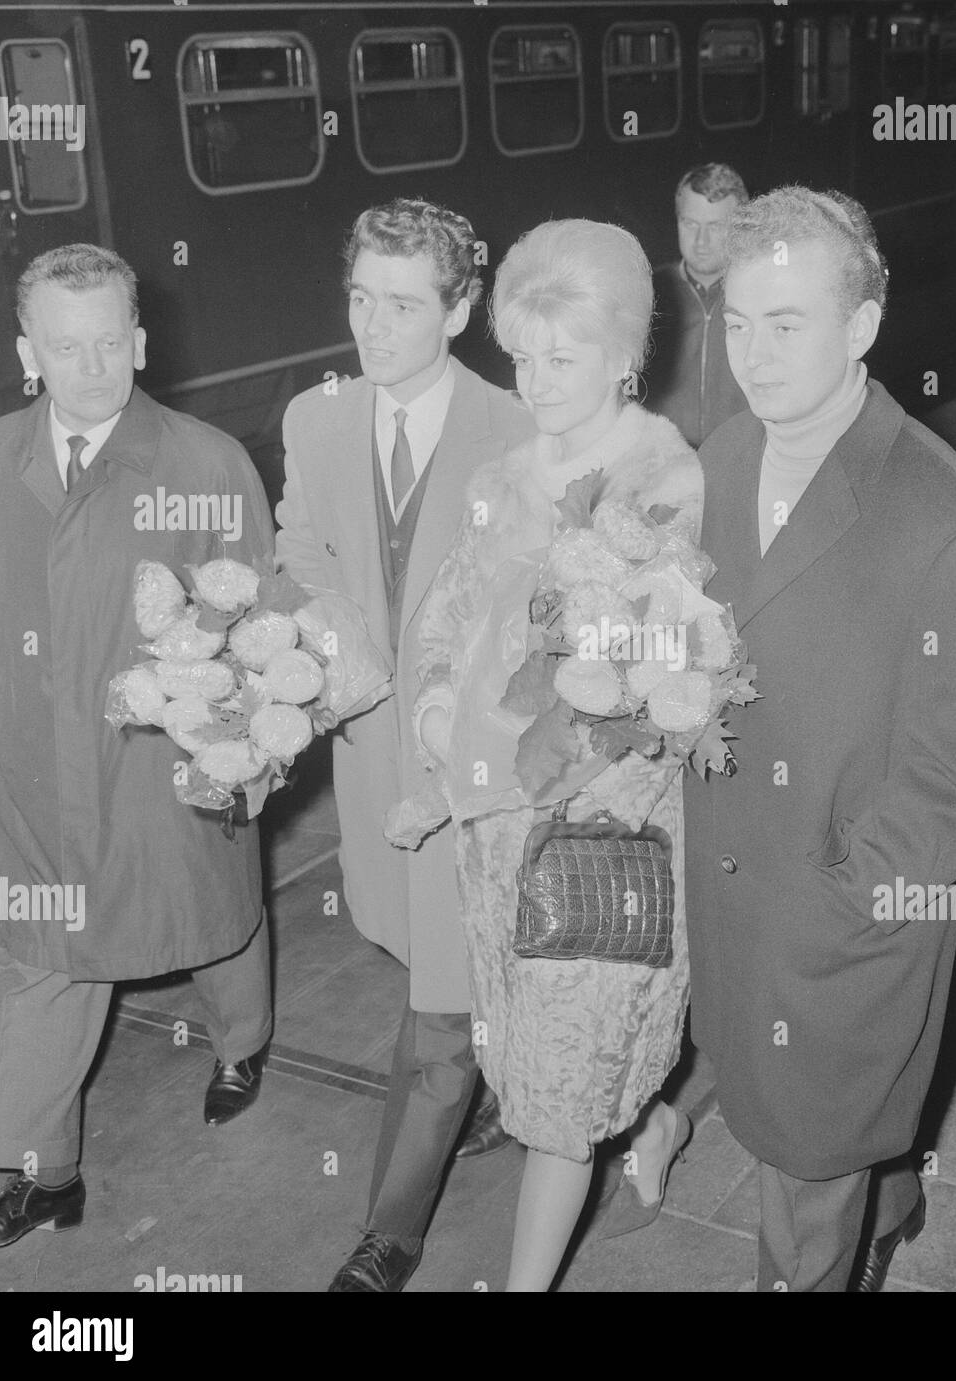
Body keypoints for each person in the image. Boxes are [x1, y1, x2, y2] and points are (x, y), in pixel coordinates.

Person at [684, 188, 956, 1291]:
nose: (753, 354)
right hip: (734, 890)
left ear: (862, 325)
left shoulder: (943, 518)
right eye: (737, 323)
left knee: (803, 1172)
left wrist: (856, 890)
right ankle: (889, 1204)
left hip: (839, 911)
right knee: (803, 1117)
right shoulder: (722, 457)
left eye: (786, 323)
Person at [403, 220, 700, 1290]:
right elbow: (441, 622)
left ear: (627, 354)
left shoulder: (662, 481)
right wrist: (437, 709)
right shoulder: (497, 475)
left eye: (562, 358)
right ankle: (657, 1124)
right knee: (532, 1059)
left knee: (559, 1098)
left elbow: (639, 699)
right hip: (492, 834)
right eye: (521, 356)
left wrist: (482, 767)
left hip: (590, 825)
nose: (535, 382)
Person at [0, 244, 276, 1250]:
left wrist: (241, 746)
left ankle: (243, 1043)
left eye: (111, 342)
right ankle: (39, 1172)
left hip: (162, 768)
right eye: (67, 348)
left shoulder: (204, 463)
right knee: (44, 960)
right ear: (30, 354)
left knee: (213, 922)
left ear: (140, 341)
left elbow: (259, 634)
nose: (93, 367)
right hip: (33, 777)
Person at [275, 199, 534, 1292]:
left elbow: (535, 618)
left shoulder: (517, 429)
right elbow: (299, 545)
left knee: (440, 1000)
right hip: (371, 757)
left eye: (401, 306)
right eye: (358, 300)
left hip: (475, 773)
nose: (371, 329)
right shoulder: (316, 418)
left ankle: (392, 1229)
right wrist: (332, 636)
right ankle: (511, 1087)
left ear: (462, 309)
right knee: (438, 966)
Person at [645, 163, 752, 447]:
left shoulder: (764, 294)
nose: (700, 241)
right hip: (666, 460)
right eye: (690, 223)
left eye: (715, 226)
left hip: (742, 458)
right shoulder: (648, 292)